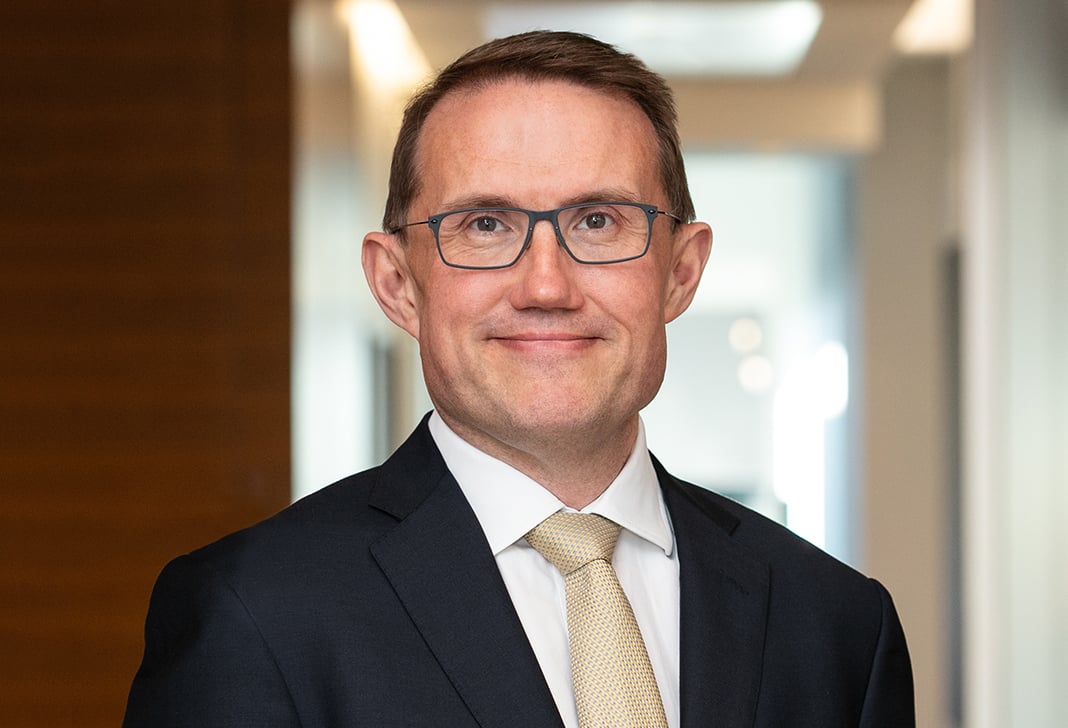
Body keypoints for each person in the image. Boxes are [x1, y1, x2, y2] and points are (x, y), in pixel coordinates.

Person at [123, 30, 914, 728]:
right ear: (397, 284)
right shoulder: (254, 614)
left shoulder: (838, 624)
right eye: (485, 224)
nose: (545, 286)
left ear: (681, 272)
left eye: (597, 221)